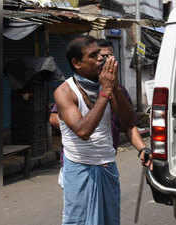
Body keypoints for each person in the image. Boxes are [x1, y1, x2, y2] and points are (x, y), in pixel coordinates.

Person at [54, 35, 150, 225]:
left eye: (101, 54)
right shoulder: (65, 92)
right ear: (77, 63)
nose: (101, 59)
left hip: (107, 165)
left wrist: (113, 88)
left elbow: (128, 122)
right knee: (79, 221)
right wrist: (105, 91)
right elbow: (83, 131)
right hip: (79, 168)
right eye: (93, 55)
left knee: (109, 220)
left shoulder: (109, 86)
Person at [96, 39, 153, 170]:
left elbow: (129, 126)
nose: (106, 61)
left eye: (109, 56)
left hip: (108, 160)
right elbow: (55, 119)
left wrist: (142, 149)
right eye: (102, 57)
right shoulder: (81, 86)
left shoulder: (119, 90)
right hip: (82, 163)